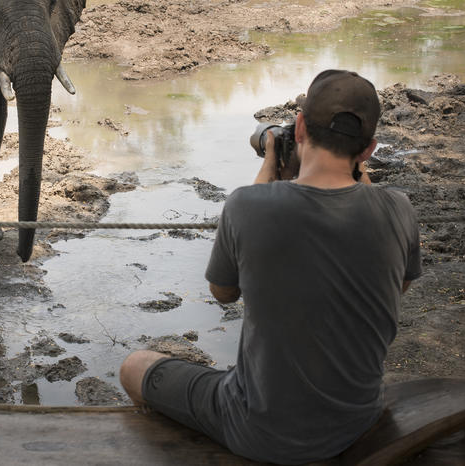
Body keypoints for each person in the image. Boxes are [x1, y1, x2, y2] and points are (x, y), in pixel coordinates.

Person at [119, 70, 422, 464]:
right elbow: (398, 283)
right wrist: (355, 172)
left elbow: (223, 293)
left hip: (259, 431)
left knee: (135, 366)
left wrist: (269, 165)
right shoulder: (399, 209)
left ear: (300, 127)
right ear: (369, 150)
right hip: (357, 421)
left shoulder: (248, 205)